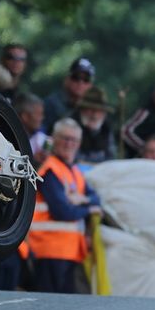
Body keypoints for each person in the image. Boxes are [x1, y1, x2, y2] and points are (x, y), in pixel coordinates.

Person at [27, 117, 102, 293]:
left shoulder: (74, 171)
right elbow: (61, 211)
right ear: (54, 140)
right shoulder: (50, 169)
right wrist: (89, 208)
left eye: (74, 140)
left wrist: (83, 200)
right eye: (65, 138)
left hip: (69, 251)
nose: (69, 144)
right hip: (49, 250)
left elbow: (96, 198)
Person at [42, 57, 95, 133]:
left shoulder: (94, 108)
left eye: (86, 79)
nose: (80, 83)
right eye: (76, 77)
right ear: (67, 79)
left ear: (91, 85)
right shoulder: (51, 104)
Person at [71, 86, 117, 166]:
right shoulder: (70, 127)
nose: (94, 114)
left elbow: (110, 159)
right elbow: (71, 159)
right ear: (82, 109)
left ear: (104, 113)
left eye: (99, 110)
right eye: (90, 109)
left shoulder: (106, 129)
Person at [14, 92, 49, 165]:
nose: (42, 118)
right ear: (25, 116)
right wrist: (33, 160)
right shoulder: (11, 139)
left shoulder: (41, 138)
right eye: (39, 114)